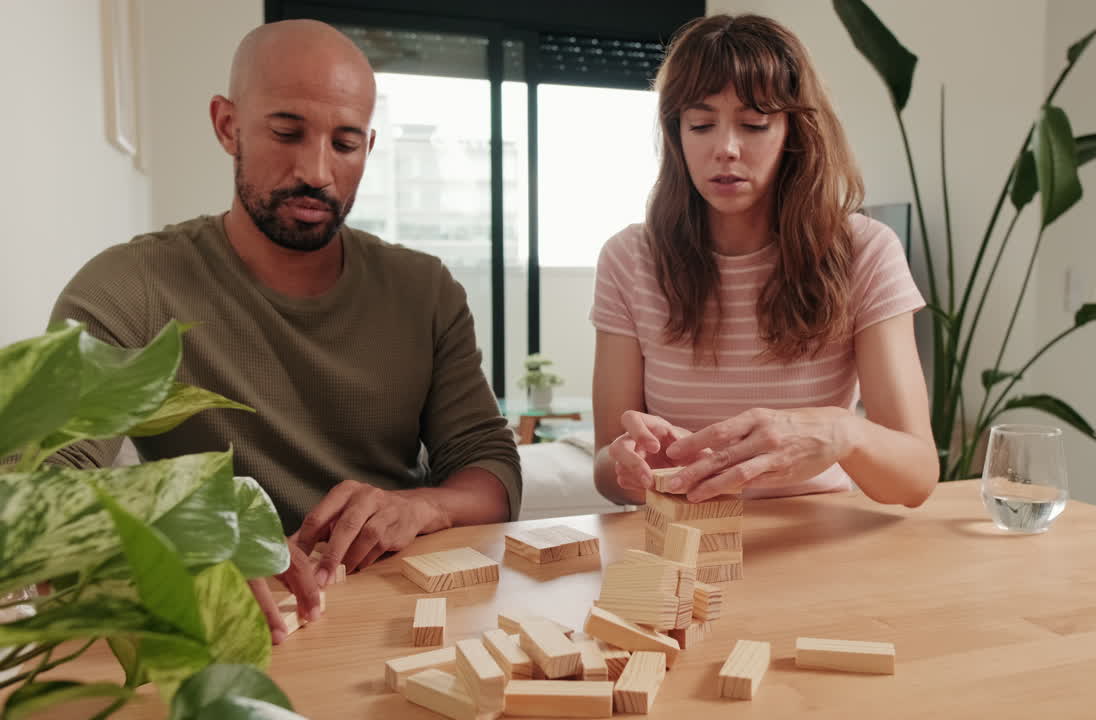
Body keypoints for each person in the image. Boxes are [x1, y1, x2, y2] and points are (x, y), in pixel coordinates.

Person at [48, 20, 521, 643]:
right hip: (224, 620)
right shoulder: (128, 287)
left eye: (346, 144)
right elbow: (40, 485)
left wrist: (421, 505)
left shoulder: (425, 291)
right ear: (227, 125)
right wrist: (178, 534)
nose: (317, 172)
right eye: (287, 133)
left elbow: (490, 468)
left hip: (401, 616)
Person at [591, 14, 937, 509]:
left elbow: (916, 479)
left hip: (818, 545)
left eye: (754, 125)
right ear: (676, 134)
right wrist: (629, 462)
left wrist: (842, 432)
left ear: (795, 132)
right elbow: (607, 468)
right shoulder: (629, 259)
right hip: (684, 547)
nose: (725, 149)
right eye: (701, 124)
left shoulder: (865, 251)